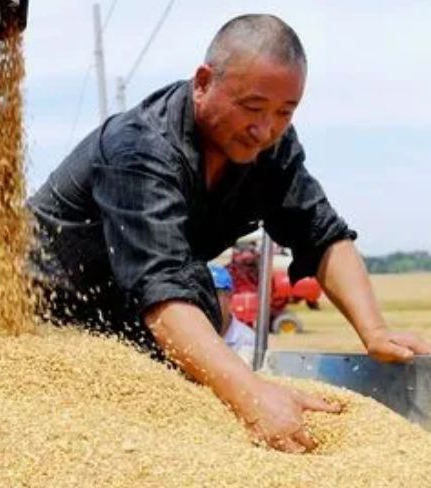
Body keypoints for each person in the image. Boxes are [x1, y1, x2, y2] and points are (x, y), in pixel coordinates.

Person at [29, 14, 431, 454]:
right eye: (252, 107)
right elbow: (161, 289)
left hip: (132, 326)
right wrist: (251, 395)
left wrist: (374, 330)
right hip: (46, 323)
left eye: (285, 112)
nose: (265, 129)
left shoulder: (270, 149)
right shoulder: (139, 148)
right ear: (204, 82)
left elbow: (322, 234)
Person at [209, 263, 255, 356]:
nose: (208, 302)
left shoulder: (247, 341)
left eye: (214, 295)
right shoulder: (190, 336)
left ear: (229, 296)